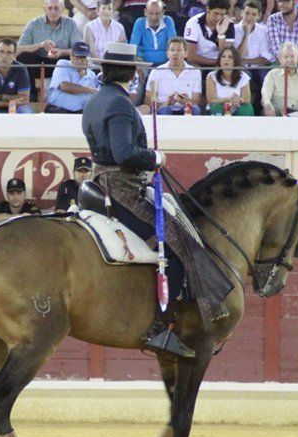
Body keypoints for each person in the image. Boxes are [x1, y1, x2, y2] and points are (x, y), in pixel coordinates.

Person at [83, 41, 226, 357]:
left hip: (103, 181)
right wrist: (154, 157)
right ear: (132, 73)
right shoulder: (120, 104)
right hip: (122, 188)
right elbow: (124, 153)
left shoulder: (95, 101)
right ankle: (159, 329)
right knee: (175, 246)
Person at [17, 0, 83, 100]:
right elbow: (18, 49)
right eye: (50, 8)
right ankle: (31, 95)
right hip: (39, 63)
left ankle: (66, 95)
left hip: (60, 64)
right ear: (44, 9)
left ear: (62, 9)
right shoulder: (33, 23)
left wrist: (61, 52)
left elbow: (77, 50)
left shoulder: (70, 24)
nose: (53, 12)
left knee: (70, 58)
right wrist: (40, 45)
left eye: (56, 8)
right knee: (23, 57)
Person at [144, 37, 203, 114]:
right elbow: (148, 101)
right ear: (167, 53)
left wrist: (186, 101)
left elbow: (196, 102)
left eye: (179, 50)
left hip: (186, 108)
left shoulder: (195, 72)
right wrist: (166, 103)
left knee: (195, 109)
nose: (175, 53)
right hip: (163, 109)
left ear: (186, 53)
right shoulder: (156, 71)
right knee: (165, 110)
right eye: (172, 50)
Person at [261, 41, 298, 115]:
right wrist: (267, 105)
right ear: (280, 58)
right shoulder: (272, 74)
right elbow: (265, 94)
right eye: (286, 57)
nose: (289, 60)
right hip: (277, 114)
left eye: (293, 56)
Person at [46, 41, 99, 112]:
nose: (79, 61)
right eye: (76, 57)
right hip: (58, 111)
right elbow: (64, 86)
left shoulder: (92, 75)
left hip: (80, 114)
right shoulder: (62, 64)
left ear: (87, 59)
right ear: (71, 56)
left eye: (83, 58)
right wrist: (89, 89)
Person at [184, 0, 234, 68]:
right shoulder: (193, 23)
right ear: (207, 9)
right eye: (216, 13)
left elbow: (227, 54)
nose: (218, 18)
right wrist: (217, 62)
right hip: (197, 62)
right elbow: (190, 56)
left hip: (219, 64)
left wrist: (221, 35)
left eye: (222, 14)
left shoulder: (229, 24)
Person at [205, 46, 255, 115]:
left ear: (235, 61)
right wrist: (228, 99)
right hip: (219, 108)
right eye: (223, 56)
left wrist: (238, 100)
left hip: (237, 107)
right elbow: (211, 100)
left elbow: (247, 99)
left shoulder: (243, 76)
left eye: (230, 57)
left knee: (247, 108)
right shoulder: (211, 76)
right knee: (216, 107)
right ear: (219, 60)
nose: (226, 59)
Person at [267, 0, 298, 66]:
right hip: (279, 61)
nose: (282, 4)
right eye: (280, 1)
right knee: (276, 73)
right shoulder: (272, 19)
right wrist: (285, 63)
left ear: (295, 1)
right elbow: (275, 48)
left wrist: (292, 64)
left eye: (286, 1)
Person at [128, 0, 178, 66]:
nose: (154, 17)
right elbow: (133, 47)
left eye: (157, 13)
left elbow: (173, 45)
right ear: (145, 12)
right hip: (144, 64)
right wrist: (137, 61)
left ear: (163, 12)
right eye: (150, 13)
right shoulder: (139, 23)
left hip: (165, 65)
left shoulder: (168, 21)